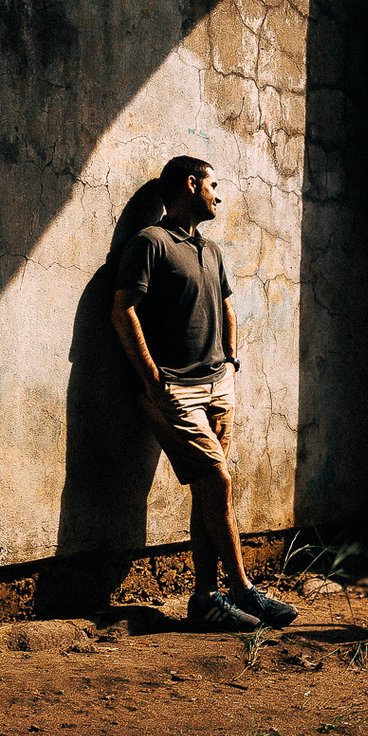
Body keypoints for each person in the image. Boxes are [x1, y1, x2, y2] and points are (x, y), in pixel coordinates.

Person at [110, 156, 296, 632]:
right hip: (174, 389)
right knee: (219, 482)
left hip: (219, 387)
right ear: (190, 184)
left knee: (207, 493)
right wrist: (152, 379)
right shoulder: (151, 243)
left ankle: (205, 599)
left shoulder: (210, 250)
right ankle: (243, 590)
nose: (219, 194)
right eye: (214, 184)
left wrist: (229, 362)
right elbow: (123, 311)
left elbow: (228, 308)